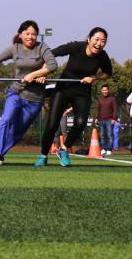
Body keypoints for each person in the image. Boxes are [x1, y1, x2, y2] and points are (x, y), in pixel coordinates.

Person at [0, 20, 58, 165]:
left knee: (19, 130)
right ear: (20, 35)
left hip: (35, 98)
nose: (30, 37)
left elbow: (52, 65)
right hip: (16, 92)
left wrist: (36, 74)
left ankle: (0, 154)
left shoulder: (42, 47)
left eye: (33, 34)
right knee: (6, 119)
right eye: (27, 33)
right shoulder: (14, 48)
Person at [36, 27, 112, 167]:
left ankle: (64, 149)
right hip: (63, 89)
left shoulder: (102, 56)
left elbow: (107, 73)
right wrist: (43, 72)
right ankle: (43, 155)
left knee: (81, 123)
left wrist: (94, 77)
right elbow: (51, 54)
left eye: (103, 41)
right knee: (52, 125)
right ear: (89, 39)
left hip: (82, 93)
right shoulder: (76, 47)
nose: (99, 43)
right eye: (96, 39)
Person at [96, 84, 118, 155]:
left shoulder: (112, 99)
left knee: (109, 135)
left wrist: (114, 119)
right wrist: (96, 118)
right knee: (102, 136)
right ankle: (103, 149)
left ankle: (109, 149)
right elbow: (98, 109)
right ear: (101, 91)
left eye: (106, 90)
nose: (104, 91)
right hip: (101, 120)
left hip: (109, 120)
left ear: (108, 90)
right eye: (103, 90)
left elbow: (115, 109)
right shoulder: (99, 99)